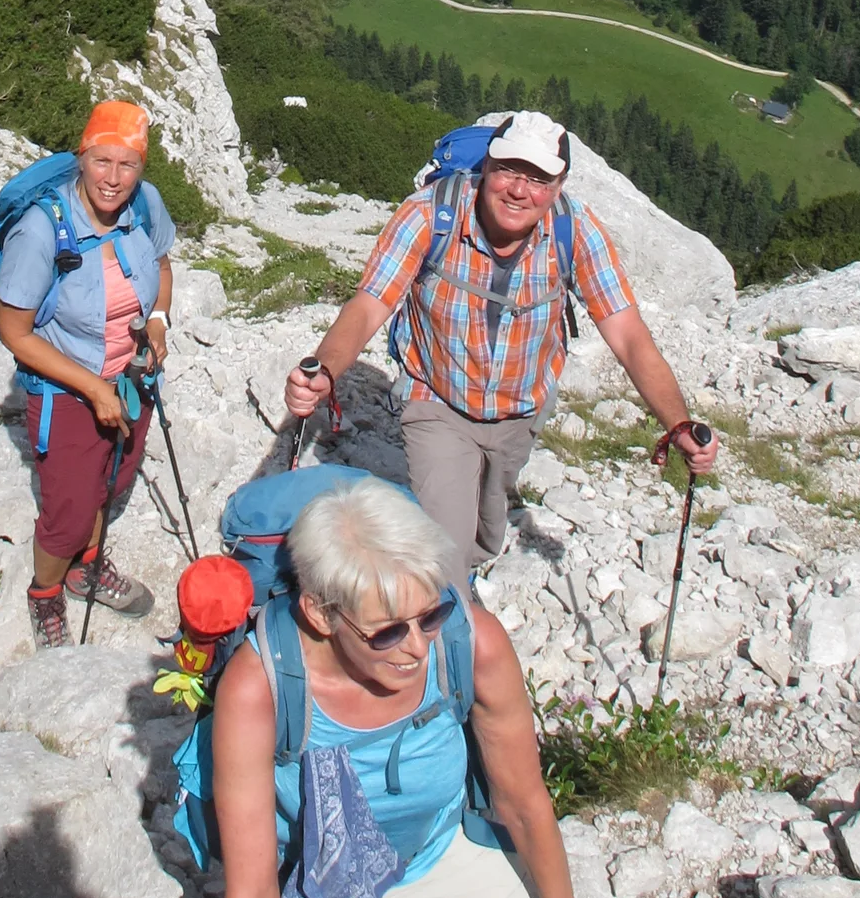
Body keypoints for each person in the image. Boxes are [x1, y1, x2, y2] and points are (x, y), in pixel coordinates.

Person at [211, 476, 641, 898]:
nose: (416, 647)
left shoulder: (472, 641)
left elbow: (522, 802)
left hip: (438, 846)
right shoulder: (260, 687)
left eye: (431, 613)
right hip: (316, 870)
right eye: (386, 632)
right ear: (320, 614)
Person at [284, 111, 718, 572]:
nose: (518, 190)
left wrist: (678, 424)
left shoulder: (575, 231)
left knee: (487, 531)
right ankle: (449, 623)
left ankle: (469, 570)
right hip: (437, 401)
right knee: (442, 556)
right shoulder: (430, 214)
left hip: (522, 408)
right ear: (486, 166)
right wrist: (325, 370)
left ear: (559, 185)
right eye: (508, 170)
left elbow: (630, 337)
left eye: (537, 179)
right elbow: (369, 304)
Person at [0, 99, 176, 648]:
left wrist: (160, 320)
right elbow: (14, 330)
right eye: (102, 162)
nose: (114, 179)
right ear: (81, 156)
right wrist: (93, 387)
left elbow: (163, 263)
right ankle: (45, 594)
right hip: (69, 390)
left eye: (128, 165)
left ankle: (86, 567)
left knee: (111, 480)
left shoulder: (145, 204)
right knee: (69, 508)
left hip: (132, 378)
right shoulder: (40, 230)